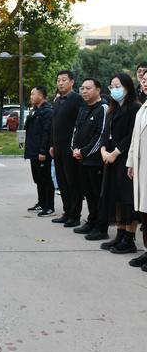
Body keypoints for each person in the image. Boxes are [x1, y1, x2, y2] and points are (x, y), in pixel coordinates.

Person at [98, 73, 141, 253]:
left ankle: (129, 239)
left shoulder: (135, 107)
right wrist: (103, 150)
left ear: (127, 87)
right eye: (112, 87)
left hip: (124, 158)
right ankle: (120, 234)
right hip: (110, 158)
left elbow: (132, 135)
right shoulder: (112, 108)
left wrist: (115, 153)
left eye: (118, 87)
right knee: (115, 197)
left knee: (127, 199)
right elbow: (105, 132)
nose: (114, 90)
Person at [71, 78, 108, 240]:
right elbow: (76, 130)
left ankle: (101, 227)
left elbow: (101, 135)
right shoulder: (83, 108)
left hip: (95, 160)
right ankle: (91, 221)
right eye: (82, 88)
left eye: (88, 88)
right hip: (81, 159)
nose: (84, 91)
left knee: (97, 194)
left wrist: (84, 152)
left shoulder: (103, 108)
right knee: (88, 193)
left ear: (98, 90)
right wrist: (74, 149)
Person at [50, 70, 84, 227]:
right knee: (62, 181)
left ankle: (75, 215)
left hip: (70, 148)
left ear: (72, 82)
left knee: (73, 182)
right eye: (58, 80)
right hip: (57, 147)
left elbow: (80, 125)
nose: (60, 83)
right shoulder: (57, 100)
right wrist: (52, 144)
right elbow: (54, 124)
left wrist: (77, 146)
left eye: (64, 80)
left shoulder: (78, 100)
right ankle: (66, 212)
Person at [127, 69, 147, 269]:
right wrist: (131, 163)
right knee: (143, 212)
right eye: (144, 80)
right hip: (141, 167)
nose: (145, 83)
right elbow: (135, 138)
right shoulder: (143, 108)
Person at [24, 86, 55, 216]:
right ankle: (41, 203)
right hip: (33, 151)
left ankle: (49, 206)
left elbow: (46, 133)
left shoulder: (47, 111)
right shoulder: (35, 110)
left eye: (33, 94)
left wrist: (43, 151)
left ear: (41, 96)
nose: (31, 97)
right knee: (38, 179)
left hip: (41, 152)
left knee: (46, 179)